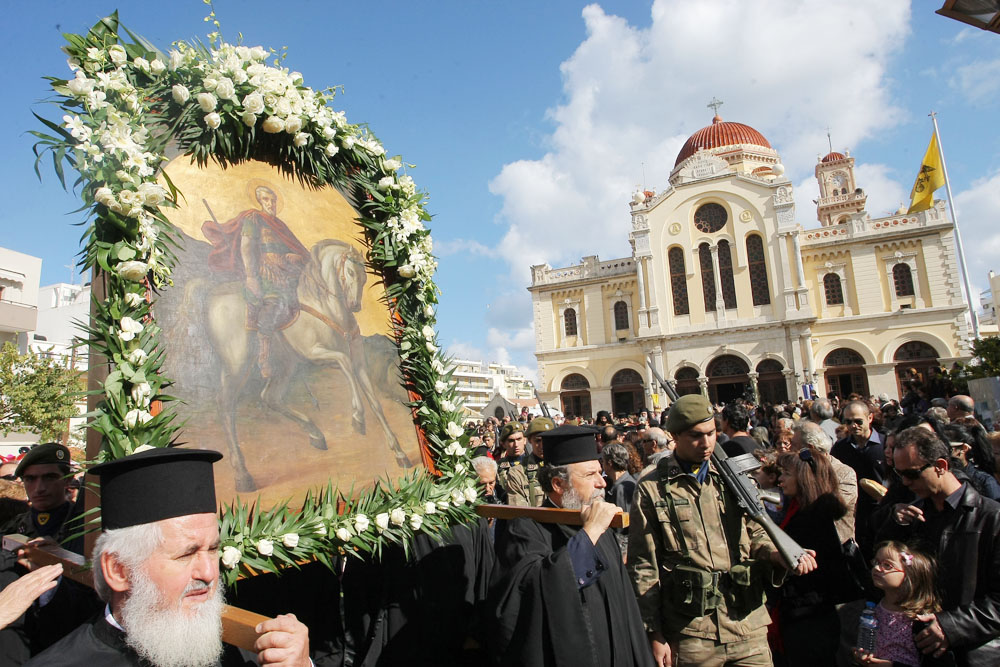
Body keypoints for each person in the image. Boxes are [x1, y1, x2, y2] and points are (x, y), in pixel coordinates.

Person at [25, 446, 310, 667]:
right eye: (186, 554)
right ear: (119, 570)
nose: (210, 573)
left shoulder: (243, 653)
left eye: (212, 550)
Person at [629, 394, 817, 667]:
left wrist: (778, 554)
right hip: (691, 631)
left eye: (711, 433)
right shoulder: (652, 488)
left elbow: (757, 531)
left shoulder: (733, 478)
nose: (706, 443)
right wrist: (654, 632)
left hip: (747, 624)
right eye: (695, 435)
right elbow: (644, 565)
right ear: (675, 437)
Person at [490, 425, 654, 666]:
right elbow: (529, 596)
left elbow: (625, 605)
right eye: (590, 475)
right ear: (558, 484)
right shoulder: (526, 531)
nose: (603, 483)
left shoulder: (602, 529)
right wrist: (588, 536)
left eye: (601, 473)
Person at [876, 426, 1000, 666]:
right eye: (899, 473)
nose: (905, 482)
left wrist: (949, 626)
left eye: (912, 474)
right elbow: (883, 565)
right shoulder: (915, 515)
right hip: (924, 652)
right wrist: (893, 523)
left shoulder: (991, 518)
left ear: (941, 466)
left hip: (977, 654)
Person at [203, 183, 311, 378]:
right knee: (275, 303)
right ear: (260, 201)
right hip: (266, 273)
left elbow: (291, 248)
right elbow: (246, 247)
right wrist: (252, 277)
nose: (271, 204)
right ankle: (264, 357)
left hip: (287, 272)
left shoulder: (280, 225)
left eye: (273, 200)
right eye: (266, 200)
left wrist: (294, 256)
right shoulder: (254, 219)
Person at [773, 448, 853, 666]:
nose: (780, 479)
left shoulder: (814, 517)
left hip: (809, 616)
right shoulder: (800, 508)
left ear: (804, 478)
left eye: (787, 474)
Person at [852, 541, 943, 667]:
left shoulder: (920, 619)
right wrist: (862, 655)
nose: (877, 568)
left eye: (887, 565)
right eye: (876, 562)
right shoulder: (874, 609)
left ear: (910, 575)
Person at [832, 400, 886, 556]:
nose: (853, 425)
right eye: (848, 421)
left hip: (880, 508)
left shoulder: (885, 443)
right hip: (854, 510)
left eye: (858, 421)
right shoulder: (840, 448)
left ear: (869, 418)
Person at [792, 421, 858, 544]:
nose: (790, 450)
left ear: (809, 448)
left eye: (794, 445)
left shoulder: (844, 473)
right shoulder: (796, 471)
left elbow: (832, 509)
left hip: (837, 549)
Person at [507, 417, 553, 507]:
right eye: (538, 441)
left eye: (548, 440)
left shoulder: (566, 467)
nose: (542, 445)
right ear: (529, 440)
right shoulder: (517, 473)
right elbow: (519, 513)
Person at [496, 422, 527, 500]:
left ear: (525, 440)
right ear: (503, 444)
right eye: (511, 441)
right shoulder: (497, 468)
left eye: (519, 439)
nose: (516, 444)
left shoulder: (535, 465)